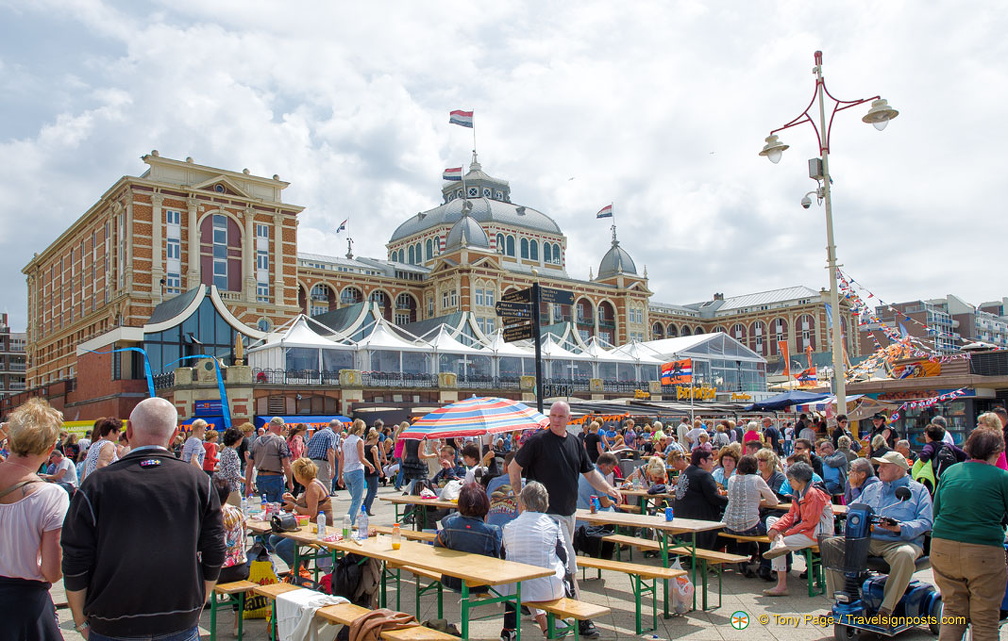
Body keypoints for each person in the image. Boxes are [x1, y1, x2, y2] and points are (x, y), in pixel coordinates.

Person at [62, 397, 225, 640]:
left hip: (112, 618)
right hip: (178, 615)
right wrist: (200, 599)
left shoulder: (97, 484)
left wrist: (79, 619)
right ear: (173, 437)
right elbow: (215, 550)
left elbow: (75, 557)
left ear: (128, 431)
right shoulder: (199, 482)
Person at [508, 401, 620, 639]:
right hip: (546, 517)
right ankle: (582, 620)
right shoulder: (537, 441)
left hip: (569, 514)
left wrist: (608, 489)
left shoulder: (575, 443)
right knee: (568, 567)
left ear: (569, 418)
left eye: (560, 416)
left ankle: (547, 610)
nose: (556, 420)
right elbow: (513, 468)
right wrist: (520, 499)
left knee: (556, 567)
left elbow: (589, 473)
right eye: (553, 415)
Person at [822, 451, 933, 619]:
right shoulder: (873, 488)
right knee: (830, 544)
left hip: (901, 542)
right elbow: (853, 507)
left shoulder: (918, 491)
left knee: (905, 555)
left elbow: (925, 521)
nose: (878, 470)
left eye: (883, 466)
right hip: (870, 540)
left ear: (898, 469)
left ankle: (885, 610)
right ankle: (843, 599)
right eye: (879, 466)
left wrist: (899, 527)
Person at [0, 398, 70, 641]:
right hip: (25, 606)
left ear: (8, 441)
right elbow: (52, 571)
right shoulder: (51, 496)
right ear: (51, 449)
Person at [930, 427, 1008, 641]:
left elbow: (936, 512)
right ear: (996, 452)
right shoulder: (1002, 477)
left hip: (943, 549)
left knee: (953, 613)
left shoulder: (950, 472)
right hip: (983, 552)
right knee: (985, 619)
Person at [499, 481, 569, 641]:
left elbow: (503, 557)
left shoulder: (508, 527)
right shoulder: (553, 524)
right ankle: (558, 625)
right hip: (547, 588)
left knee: (521, 577)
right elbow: (563, 557)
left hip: (515, 590)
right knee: (555, 573)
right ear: (545, 501)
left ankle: (509, 629)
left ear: (522, 502)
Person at [762, 461, 833, 596]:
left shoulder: (814, 493)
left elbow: (809, 522)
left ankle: (781, 585)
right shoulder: (799, 492)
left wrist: (787, 532)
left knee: (778, 545)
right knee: (772, 521)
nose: (789, 483)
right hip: (808, 530)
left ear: (800, 479)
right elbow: (792, 515)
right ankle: (779, 541)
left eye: (791, 480)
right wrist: (777, 528)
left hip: (819, 533)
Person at [434, 482, 502, 594]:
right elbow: (497, 557)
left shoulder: (451, 524)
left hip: (452, 580)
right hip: (482, 583)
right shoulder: (493, 531)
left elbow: (437, 543)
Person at [271, 457, 333, 571]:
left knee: (281, 548)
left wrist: (294, 506)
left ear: (299, 475)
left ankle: (299, 570)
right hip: (309, 526)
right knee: (274, 539)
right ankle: (298, 563)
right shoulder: (310, 484)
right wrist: (294, 501)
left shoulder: (313, 486)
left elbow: (311, 513)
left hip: (317, 529)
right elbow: (308, 505)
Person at [723, 454, 778, 574]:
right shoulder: (756, 479)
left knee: (745, 529)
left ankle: (743, 564)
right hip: (749, 526)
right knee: (768, 531)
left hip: (728, 525)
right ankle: (765, 566)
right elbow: (773, 501)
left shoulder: (732, 479)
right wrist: (757, 501)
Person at [672, 448, 728, 550]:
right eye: (711, 459)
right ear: (702, 461)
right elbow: (714, 498)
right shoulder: (704, 475)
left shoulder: (686, 472)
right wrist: (729, 500)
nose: (714, 462)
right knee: (731, 529)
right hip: (700, 524)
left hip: (683, 522)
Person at [245, 416, 294, 503]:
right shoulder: (279, 441)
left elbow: (249, 465)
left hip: (260, 478)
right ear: (281, 427)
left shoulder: (256, 441)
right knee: (276, 508)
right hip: (275, 477)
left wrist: (248, 485)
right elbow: (286, 465)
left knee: (265, 508)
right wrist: (290, 482)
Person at [339, 419, 374, 524]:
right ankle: (348, 523)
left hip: (346, 472)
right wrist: (371, 465)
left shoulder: (346, 441)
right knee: (356, 501)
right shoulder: (358, 441)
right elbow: (361, 458)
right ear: (360, 430)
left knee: (355, 500)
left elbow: (341, 459)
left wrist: (340, 476)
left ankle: (352, 521)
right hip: (356, 470)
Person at [79, 417, 122, 482]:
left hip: (90, 485)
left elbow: (86, 468)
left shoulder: (94, 445)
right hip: (100, 486)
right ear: (111, 431)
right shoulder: (108, 445)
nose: (119, 433)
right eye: (119, 430)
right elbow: (102, 466)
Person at [306, 419, 339, 494]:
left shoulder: (317, 433)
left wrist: (306, 460)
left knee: (313, 485)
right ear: (337, 427)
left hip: (312, 461)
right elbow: (330, 451)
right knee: (324, 487)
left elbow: (307, 447)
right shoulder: (331, 434)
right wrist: (333, 469)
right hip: (322, 462)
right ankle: (323, 504)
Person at [214, 427, 245, 505]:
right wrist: (246, 481)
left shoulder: (225, 450)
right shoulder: (231, 452)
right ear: (237, 439)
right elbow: (233, 473)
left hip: (224, 485)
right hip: (232, 487)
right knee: (237, 510)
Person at [362, 428, 383, 516]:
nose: (378, 440)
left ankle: (364, 507)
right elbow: (376, 460)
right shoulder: (374, 447)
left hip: (366, 469)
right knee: (373, 491)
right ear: (374, 438)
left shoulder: (364, 446)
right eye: (377, 438)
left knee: (369, 490)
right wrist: (380, 470)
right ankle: (367, 509)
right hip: (373, 470)